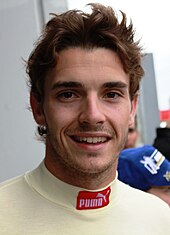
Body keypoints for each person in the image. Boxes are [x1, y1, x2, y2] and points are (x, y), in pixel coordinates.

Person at [0, 3, 169, 234]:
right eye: (68, 95)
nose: (92, 115)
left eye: (111, 95)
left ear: (132, 109)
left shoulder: (160, 219)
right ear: (38, 107)